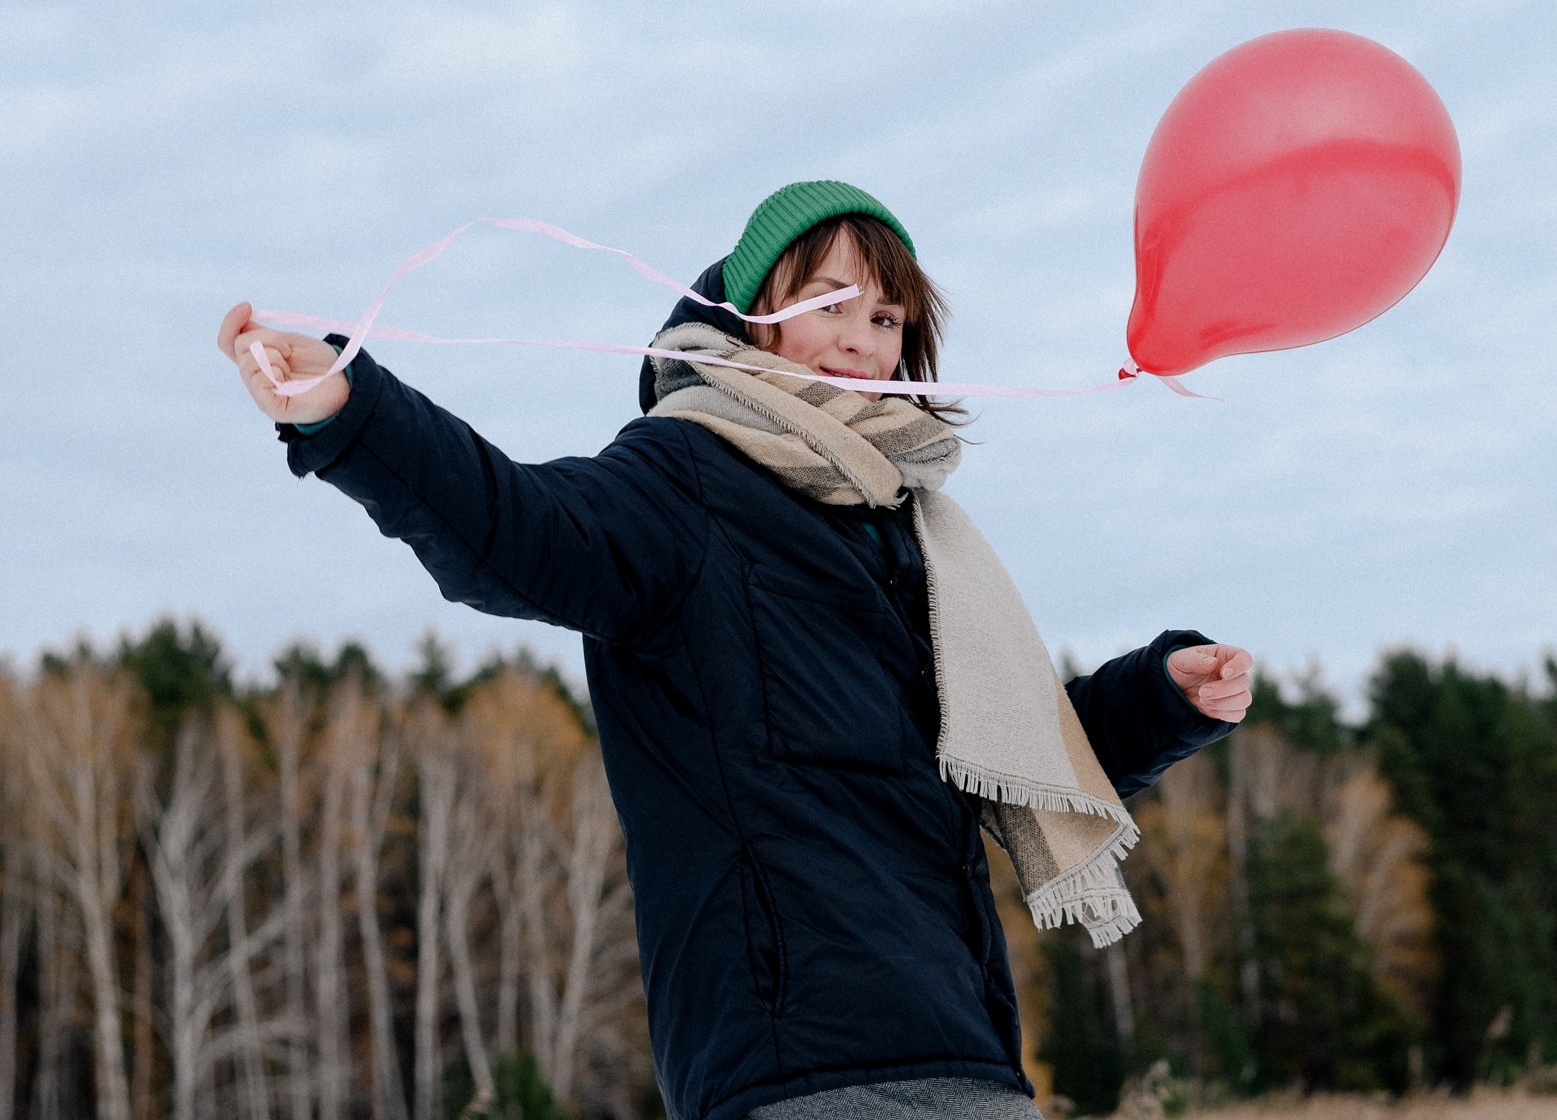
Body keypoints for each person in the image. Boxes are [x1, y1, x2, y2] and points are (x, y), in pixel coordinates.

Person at [219, 181, 1252, 1120]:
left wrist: (1160, 697)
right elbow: (513, 530)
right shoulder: (681, 483)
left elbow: (1004, 750)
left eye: (885, 317)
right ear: (751, 313)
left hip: (966, 1053)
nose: (859, 340)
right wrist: (351, 414)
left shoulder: (910, 533)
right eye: (827, 304)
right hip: (792, 1062)